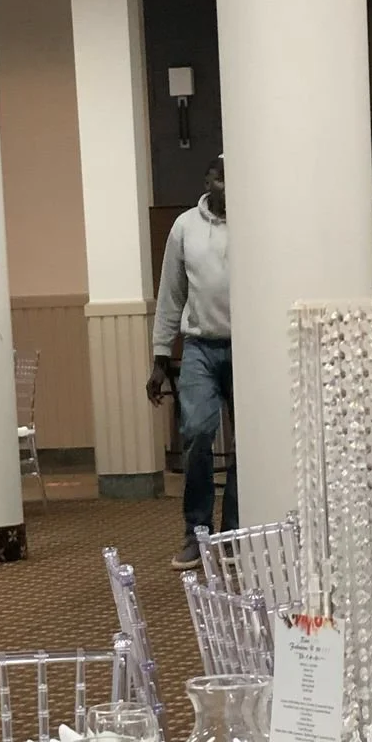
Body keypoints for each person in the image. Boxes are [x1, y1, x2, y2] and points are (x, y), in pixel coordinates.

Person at [147, 153, 236, 569]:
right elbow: (171, 293)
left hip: (248, 348)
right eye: (220, 179)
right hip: (200, 346)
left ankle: (235, 532)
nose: (227, 187)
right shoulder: (184, 227)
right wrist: (160, 356)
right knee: (197, 433)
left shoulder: (256, 222)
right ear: (207, 180)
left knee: (248, 445)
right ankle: (197, 534)